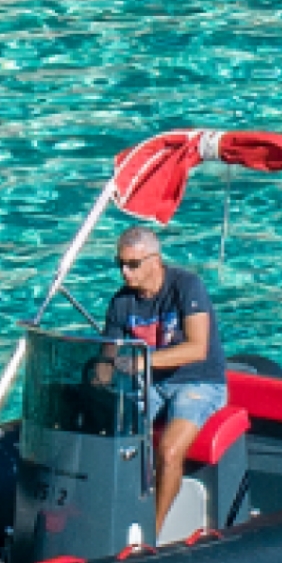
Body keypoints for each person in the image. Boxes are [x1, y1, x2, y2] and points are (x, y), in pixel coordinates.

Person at [103, 226, 228, 536]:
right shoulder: (121, 302)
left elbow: (197, 348)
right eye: (120, 264)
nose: (125, 272)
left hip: (198, 381)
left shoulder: (187, 287)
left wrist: (140, 362)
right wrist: (100, 377)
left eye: (133, 264)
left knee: (170, 451)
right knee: (111, 441)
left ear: (154, 260)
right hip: (151, 383)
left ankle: (152, 533)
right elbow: (108, 358)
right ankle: (112, 519)